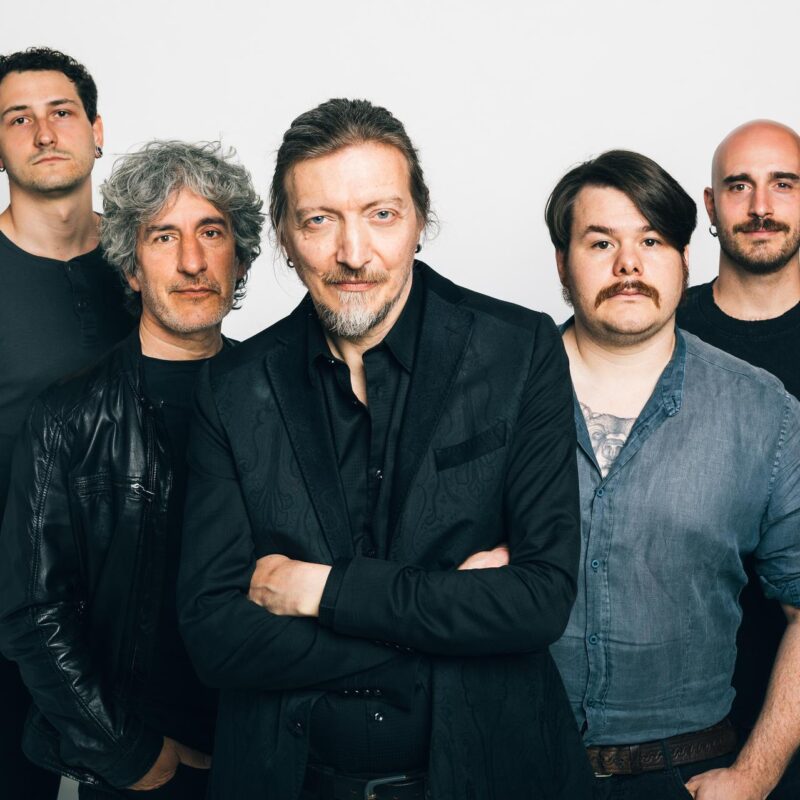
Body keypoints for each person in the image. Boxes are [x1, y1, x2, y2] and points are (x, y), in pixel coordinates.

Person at [177, 98, 593, 799]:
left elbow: (539, 601)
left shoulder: (518, 351)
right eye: (319, 220)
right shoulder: (232, 387)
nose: (353, 253)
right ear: (283, 234)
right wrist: (444, 617)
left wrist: (322, 591)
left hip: (489, 776)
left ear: (420, 221)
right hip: (291, 781)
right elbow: (215, 636)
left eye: (381, 214)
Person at [0, 140, 263, 799]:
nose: (192, 261)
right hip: (145, 763)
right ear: (131, 267)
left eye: (212, 232)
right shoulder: (67, 416)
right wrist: (130, 753)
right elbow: (32, 610)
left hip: (267, 748)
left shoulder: (286, 396)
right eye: (163, 236)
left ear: (240, 256)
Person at [546, 149, 800, 800]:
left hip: (684, 777)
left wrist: (754, 776)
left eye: (652, 241)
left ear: (686, 258)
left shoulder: (762, 411)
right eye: (601, 242)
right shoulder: (494, 389)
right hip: (510, 763)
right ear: (562, 263)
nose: (628, 265)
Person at [0, 46, 134, 799]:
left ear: (97, 130)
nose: (45, 132)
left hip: (138, 616)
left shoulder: (155, 261)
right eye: (18, 119)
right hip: (10, 618)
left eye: (62, 112)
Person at [677, 121, 800, 796]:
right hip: (687, 715)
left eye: (783, 184)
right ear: (710, 204)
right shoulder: (660, 331)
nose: (760, 206)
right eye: (739, 186)